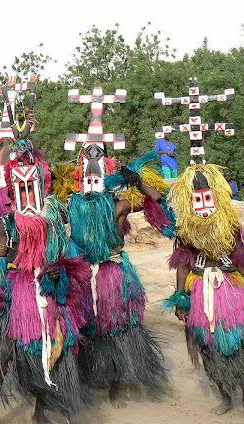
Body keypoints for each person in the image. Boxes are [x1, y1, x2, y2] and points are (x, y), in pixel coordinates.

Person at [0, 140, 91, 424]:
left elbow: (63, 253)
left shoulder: (53, 214)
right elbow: (1, 251)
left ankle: (40, 411)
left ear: (41, 180)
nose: (26, 186)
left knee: (50, 349)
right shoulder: (8, 219)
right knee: (3, 353)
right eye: (19, 182)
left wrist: (57, 273)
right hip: (18, 288)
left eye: (32, 180)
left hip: (47, 290)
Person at [69, 148, 170, 408]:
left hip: (113, 273)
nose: (91, 185)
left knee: (116, 328)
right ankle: (94, 376)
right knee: (89, 328)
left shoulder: (120, 204)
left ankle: (116, 384)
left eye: (96, 179)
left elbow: (156, 198)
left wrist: (135, 179)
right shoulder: (73, 204)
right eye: (87, 179)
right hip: (84, 274)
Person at [165, 164, 244, 418]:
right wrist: (181, 299)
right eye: (197, 197)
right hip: (200, 290)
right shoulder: (185, 230)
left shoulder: (231, 226)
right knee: (208, 344)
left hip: (230, 290)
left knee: (239, 340)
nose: (202, 202)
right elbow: (182, 266)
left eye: (207, 196)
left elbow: (242, 262)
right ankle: (224, 396)